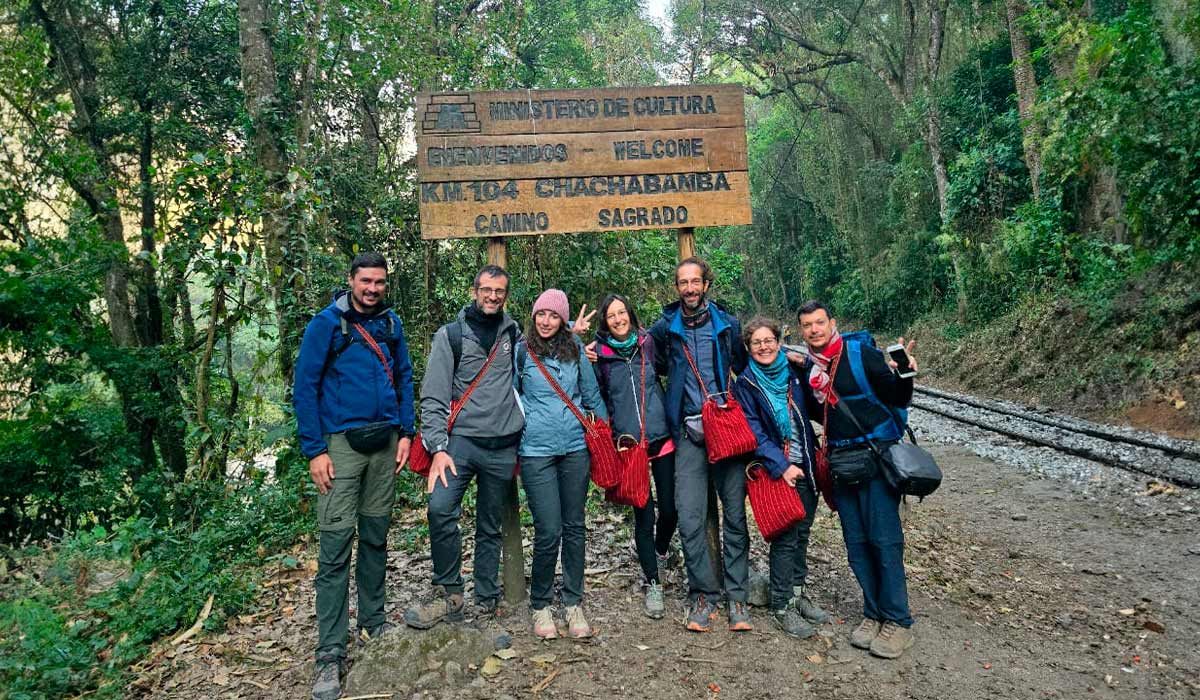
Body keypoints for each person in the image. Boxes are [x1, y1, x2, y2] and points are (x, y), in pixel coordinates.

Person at [293, 252, 415, 700]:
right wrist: (315, 450)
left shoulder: (391, 324)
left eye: (379, 282)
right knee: (335, 547)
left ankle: (373, 624)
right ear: (351, 280)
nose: (372, 289)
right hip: (340, 447)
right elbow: (304, 387)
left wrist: (407, 432)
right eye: (366, 281)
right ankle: (329, 652)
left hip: (385, 443)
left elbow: (404, 377)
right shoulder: (326, 324)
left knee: (376, 537)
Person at [793, 300, 918, 659]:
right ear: (801, 330)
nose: (814, 330)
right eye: (807, 325)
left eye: (820, 322)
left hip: (876, 458)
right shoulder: (809, 370)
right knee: (857, 543)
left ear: (832, 323)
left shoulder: (862, 355)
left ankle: (898, 621)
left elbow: (898, 397)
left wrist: (905, 372)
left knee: (884, 540)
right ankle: (873, 613)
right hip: (841, 463)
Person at [405, 265, 524, 630]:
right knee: (440, 509)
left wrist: (575, 338)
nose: (492, 296)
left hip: (502, 445)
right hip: (459, 444)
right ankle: (450, 592)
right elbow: (434, 396)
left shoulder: (513, 332)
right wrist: (438, 447)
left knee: (490, 524)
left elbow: (541, 352)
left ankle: (486, 599)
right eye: (486, 290)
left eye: (499, 291)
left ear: (506, 295)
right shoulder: (451, 335)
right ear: (474, 291)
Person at [647, 256, 751, 632]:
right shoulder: (665, 328)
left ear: (706, 284)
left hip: (726, 430)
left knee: (735, 516)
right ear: (676, 288)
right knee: (689, 516)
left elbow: (747, 366)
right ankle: (703, 594)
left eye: (695, 282)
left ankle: (737, 596)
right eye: (683, 283)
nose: (689, 288)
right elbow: (648, 360)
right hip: (688, 432)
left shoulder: (727, 325)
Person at [514, 289, 608, 639]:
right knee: (548, 529)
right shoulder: (522, 351)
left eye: (554, 316)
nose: (546, 321)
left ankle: (572, 601)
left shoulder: (576, 350)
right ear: (533, 316)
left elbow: (591, 394)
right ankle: (540, 604)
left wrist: (605, 436)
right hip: (535, 450)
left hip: (574, 448)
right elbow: (511, 395)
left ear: (563, 319)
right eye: (541, 314)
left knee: (574, 526)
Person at [732, 316, 831, 640]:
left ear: (779, 342)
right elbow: (755, 433)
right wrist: (781, 465)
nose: (764, 347)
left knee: (803, 534)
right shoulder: (746, 383)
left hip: (806, 465)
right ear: (748, 347)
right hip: (779, 469)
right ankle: (781, 604)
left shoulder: (793, 373)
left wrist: (809, 364)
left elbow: (819, 405)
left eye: (769, 340)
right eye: (756, 342)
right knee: (786, 539)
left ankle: (798, 594)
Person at [592, 293, 678, 619]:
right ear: (605, 322)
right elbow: (597, 398)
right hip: (629, 445)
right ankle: (653, 582)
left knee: (670, 509)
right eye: (611, 315)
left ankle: (660, 550)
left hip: (661, 436)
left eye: (622, 313)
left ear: (630, 313)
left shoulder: (648, 343)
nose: (618, 319)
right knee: (644, 514)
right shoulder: (600, 356)